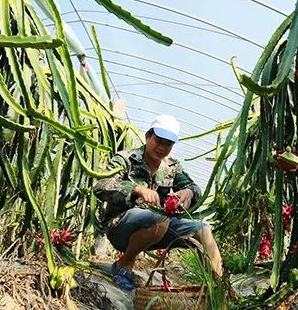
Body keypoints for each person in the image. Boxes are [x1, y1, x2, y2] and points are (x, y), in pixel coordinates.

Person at [94, 114, 222, 290]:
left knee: (202, 229)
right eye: (159, 140)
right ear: (148, 136)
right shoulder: (126, 158)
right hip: (120, 227)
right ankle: (124, 264)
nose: (162, 147)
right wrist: (135, 189)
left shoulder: (172, 167)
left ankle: (217, 285)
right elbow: (101, 185)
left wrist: (189, 192)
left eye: (168, 144)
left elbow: (193, 187)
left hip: (157, 229)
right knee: (159, 218)